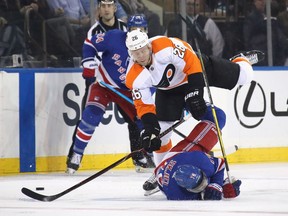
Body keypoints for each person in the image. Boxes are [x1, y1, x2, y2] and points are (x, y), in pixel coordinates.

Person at [124, 29, 258, 193]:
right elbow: (144, 106)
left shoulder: (164, 47)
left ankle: (239, 59)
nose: (142, 55)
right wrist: (150, 129)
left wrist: (195, 94)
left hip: (196, 70)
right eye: (136, 53)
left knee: (244, 76)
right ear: (131, 53)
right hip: (168, 90)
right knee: (161, 132)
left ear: (149, 46)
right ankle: (160, 170)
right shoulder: (133, 76)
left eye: (143, 50)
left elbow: (191, 61)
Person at [65, 14, 154, 174]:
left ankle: (145, 154)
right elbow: (89, 43)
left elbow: (153, 78)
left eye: (141, 30)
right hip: (104, 85)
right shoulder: (114, 37)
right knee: (90, 117)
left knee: (143, 120)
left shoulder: (150, 49)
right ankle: (76, 155)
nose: (137, 33)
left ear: (146, 31)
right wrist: (89, 64)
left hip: (128, 90)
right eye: (134, 29)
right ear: (128, 30)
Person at [154, 105, 241, 200]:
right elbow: (206, 193)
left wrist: (217, 185)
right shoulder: (176, 194)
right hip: (166, 174)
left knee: (217, 117)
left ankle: (189, 102)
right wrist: (224, 187)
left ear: (198, 169)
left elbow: (220, 164)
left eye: (203, 180)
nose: (204, 185)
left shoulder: (198, 159)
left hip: (179, 154)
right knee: (218, 116)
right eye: (199, 187)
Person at [243, 0, 287, 66]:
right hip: (269, 62)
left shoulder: (275, 26)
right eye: (260, 0)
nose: (263, 2)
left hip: (262, 62)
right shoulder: (253, 21)